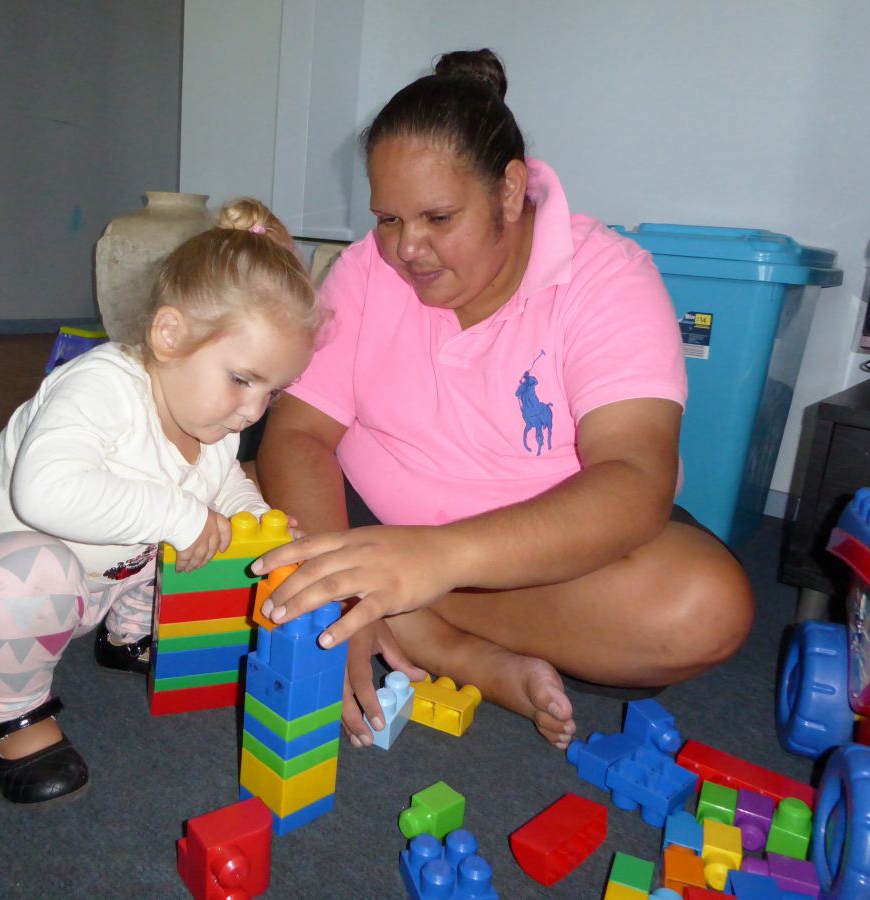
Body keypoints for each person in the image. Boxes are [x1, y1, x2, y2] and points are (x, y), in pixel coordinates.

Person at [251, 50, 754, 753]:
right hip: (366, 515)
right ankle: (434, 635)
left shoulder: (607, 278)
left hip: (535, 558)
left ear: (511, 192)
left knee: (702, 606)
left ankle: (411, 613)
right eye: (388, 219)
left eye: (438, 217)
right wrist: (340, 583)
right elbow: (298, 432)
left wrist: (433, 561)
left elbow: (636, 479)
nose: (407, 249)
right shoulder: (367, 268)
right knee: (213, 478)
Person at [0, 199, 322, 805]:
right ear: (170, 335)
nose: (253, 411)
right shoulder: (101, 386)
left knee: (206, 528)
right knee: (56, 562)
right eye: (241, 379)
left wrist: (256, 520)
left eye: (272, 392)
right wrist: (181, 516)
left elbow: (222, 481)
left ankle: (127, 634)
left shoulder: (212, 417)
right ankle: (13, 716)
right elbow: (45, 491)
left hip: (96, 573)